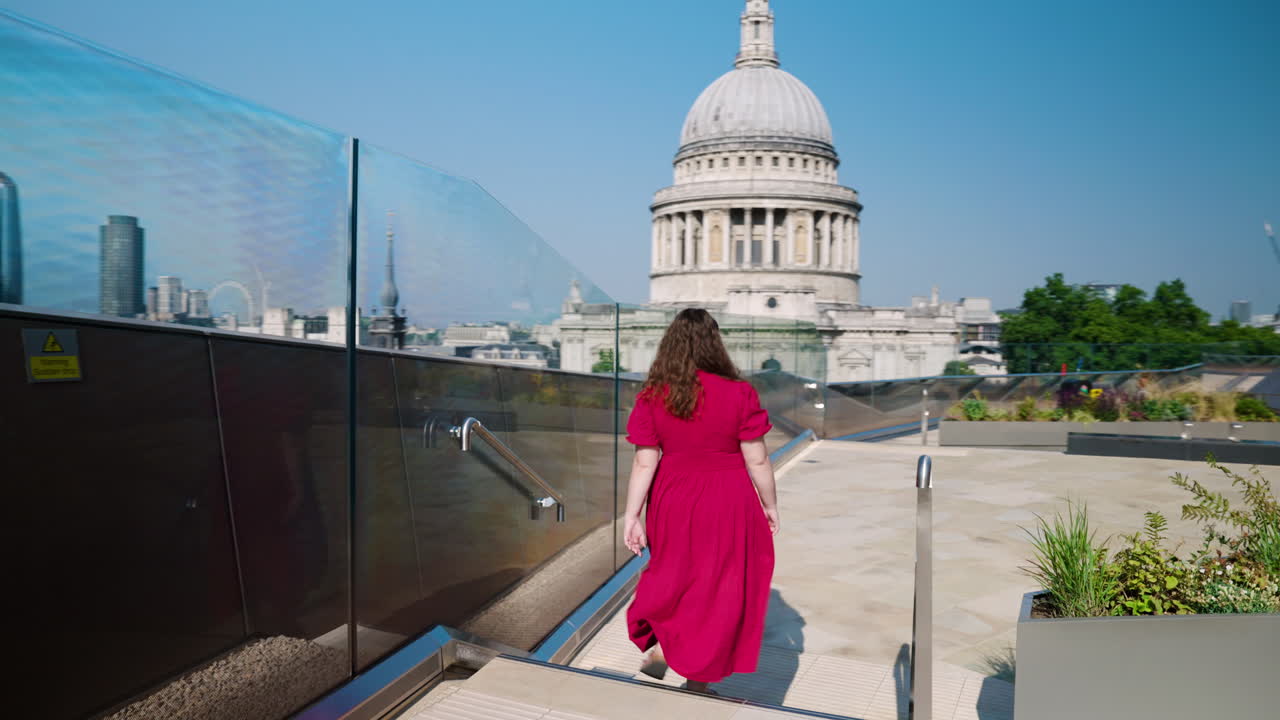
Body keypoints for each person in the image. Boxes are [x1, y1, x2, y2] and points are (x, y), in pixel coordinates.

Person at [622, 308, 780, 695]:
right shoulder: (740, 392)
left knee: (675, 576)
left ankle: (661, 647)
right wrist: (770, 504)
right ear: (715, 344)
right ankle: (697, 681)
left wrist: (631, 515)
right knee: (717, 587)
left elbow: (645, 461)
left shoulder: (654, 394)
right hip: (729, 498)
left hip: (672, 496)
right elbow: (756, 458)